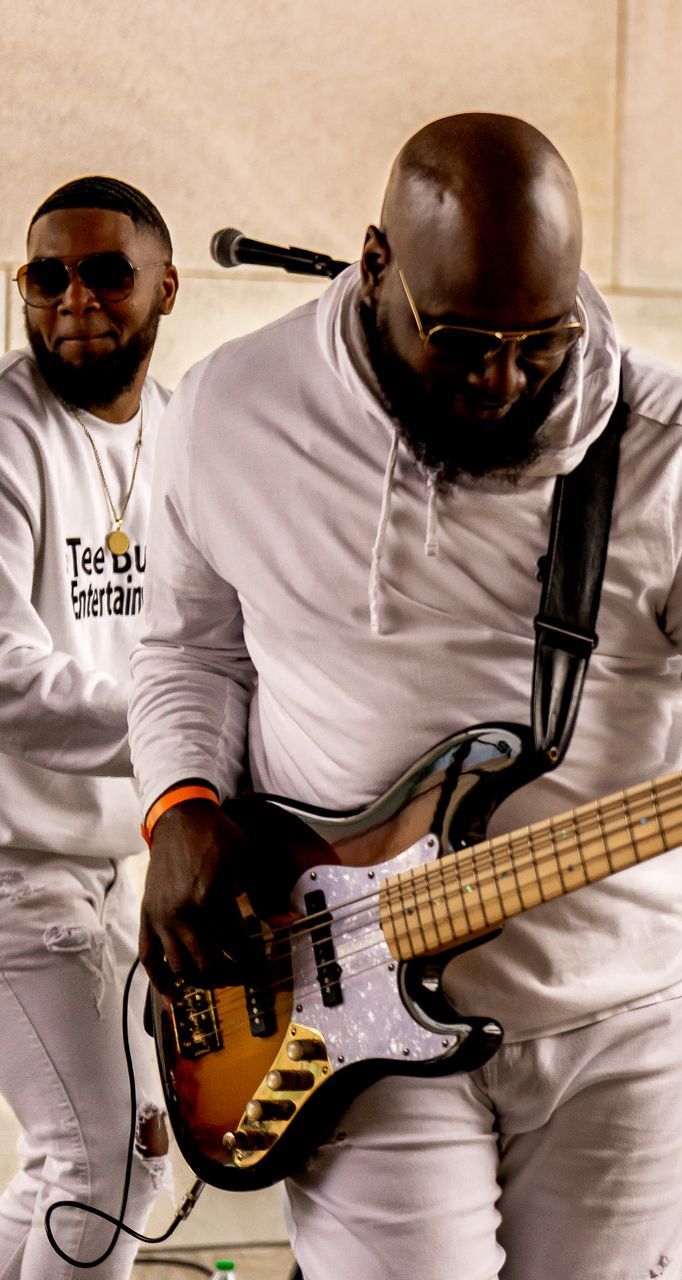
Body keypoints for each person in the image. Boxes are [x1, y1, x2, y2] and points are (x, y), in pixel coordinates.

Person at [128, 114, 682, 1280]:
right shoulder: (231, 413)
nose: (504, 379)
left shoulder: (676, 442)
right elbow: (189, 650)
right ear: (376, 263)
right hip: (336, 989)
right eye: (466, 341)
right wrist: (180, 803)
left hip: (626, 1001)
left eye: (543, 343)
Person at [0, 177, 178, 1279]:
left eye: (107, 271)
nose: (75, 298)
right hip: (16, 863)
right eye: (46, 274)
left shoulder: (182, 430)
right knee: (102, 1159)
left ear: (166, 285)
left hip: (115, 864)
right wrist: (180, 729)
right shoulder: (8, 437)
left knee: (120, 1157)